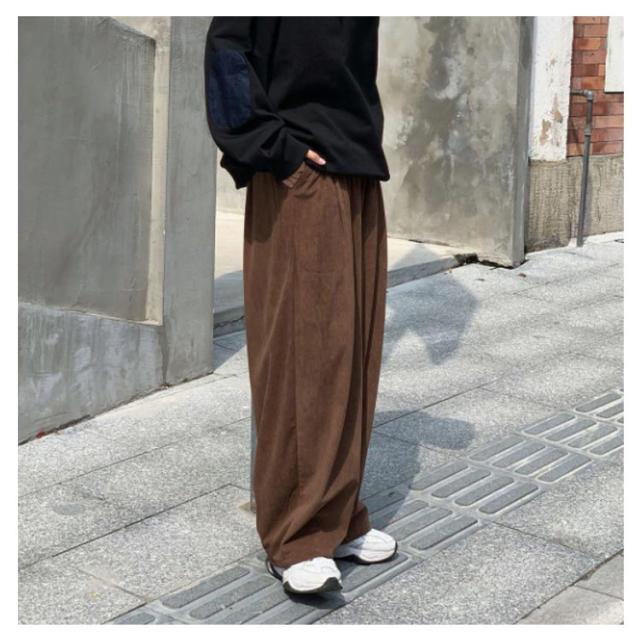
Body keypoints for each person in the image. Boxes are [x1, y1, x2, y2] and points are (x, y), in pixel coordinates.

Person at [204, 16, 395, 595]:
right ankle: (295, 537)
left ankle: (338, 516)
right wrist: (276, 149)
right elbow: (226, 50)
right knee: (300, 357)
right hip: (301, 171)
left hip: (356, 166)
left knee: (352, 356)